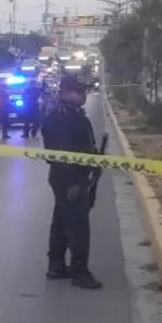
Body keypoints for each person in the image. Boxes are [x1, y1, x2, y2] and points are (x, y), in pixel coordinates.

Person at [41, 74, 102, 289]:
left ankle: (56, 266)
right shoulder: (61, 117)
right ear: (65, 91)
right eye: (79, 91)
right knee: (78, 224)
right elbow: (60, 154)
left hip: (74, 176)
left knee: (61, 221)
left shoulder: (72, 114)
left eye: (84, 91)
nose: (83, 95)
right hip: (69, 177)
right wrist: (72, 183)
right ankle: (80, 271)